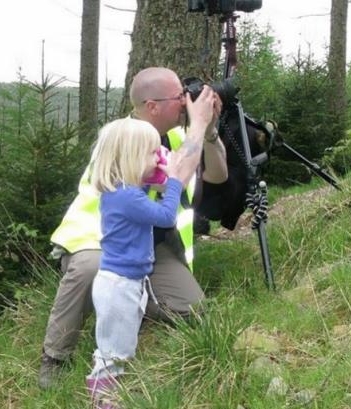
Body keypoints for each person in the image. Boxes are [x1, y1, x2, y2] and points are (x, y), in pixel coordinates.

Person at [38, 67, 225, 388]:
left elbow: (218, 175)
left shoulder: (179, 136)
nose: (185, 102)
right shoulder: (121, 139)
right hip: (100, 244)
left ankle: (129, 304)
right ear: (152, 106)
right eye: (178, 97)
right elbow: (176, 168)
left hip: (154, 250)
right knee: (90, 269)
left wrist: (207, 133)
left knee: (193, 312)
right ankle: (55, 356)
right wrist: (198, 124)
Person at [84, 117, 196, 407]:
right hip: (119, 285)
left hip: (125, 281)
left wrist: (157, 175)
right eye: (152, 152)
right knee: (115, 349)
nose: (159, 157)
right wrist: (173, 182)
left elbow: (151, 201)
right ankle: (103, 396)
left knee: (119, 343)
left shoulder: (124, 191)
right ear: (132, 158)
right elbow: (165, 216)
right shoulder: (127, 197)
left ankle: (107, 385)